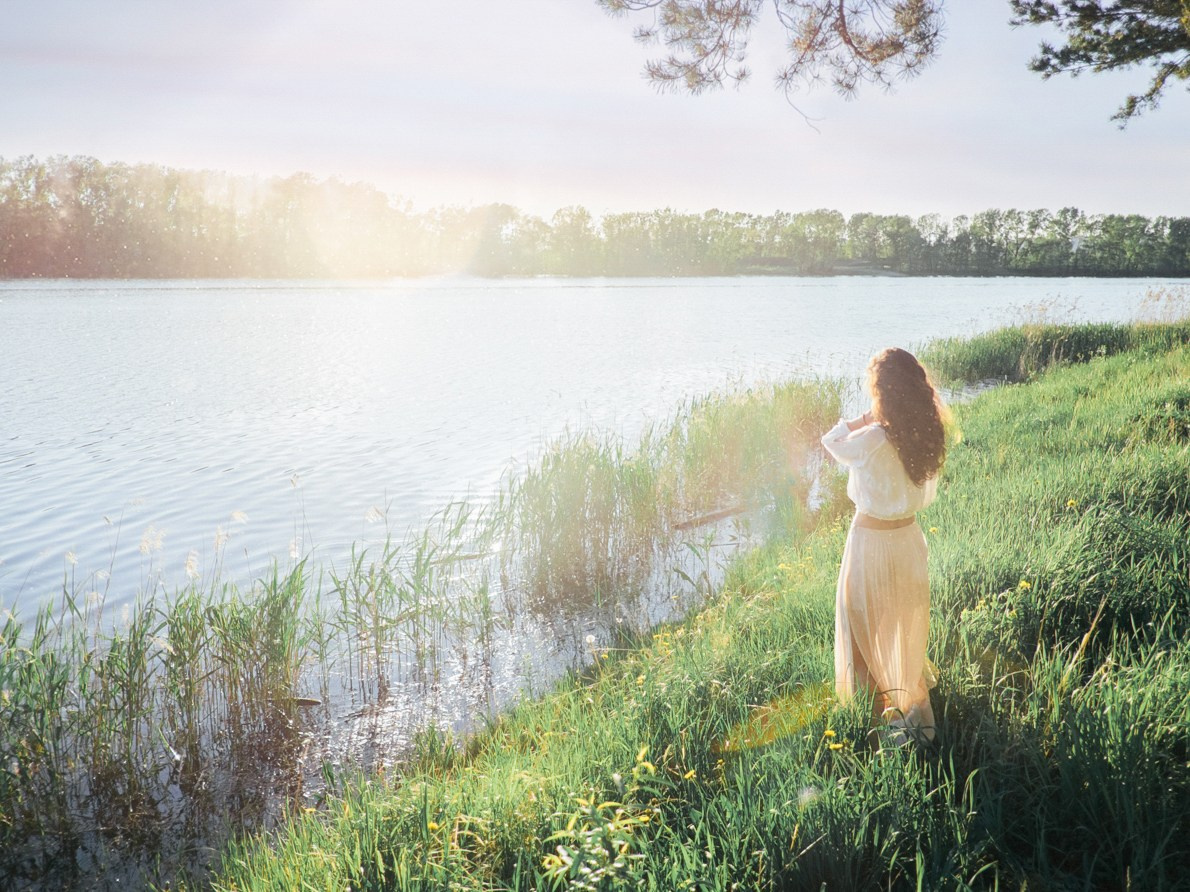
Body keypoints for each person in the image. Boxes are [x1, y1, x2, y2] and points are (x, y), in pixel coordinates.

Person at [820, 347, 947, 747]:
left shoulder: (874, 437)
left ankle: (886, 729)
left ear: (882, 395)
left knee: (864, 629)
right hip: (908, 543)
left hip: (871, 544)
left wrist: (864, 417)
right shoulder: (923, 434)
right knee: (901, 629)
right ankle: (912, 716)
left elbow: (831, 441)